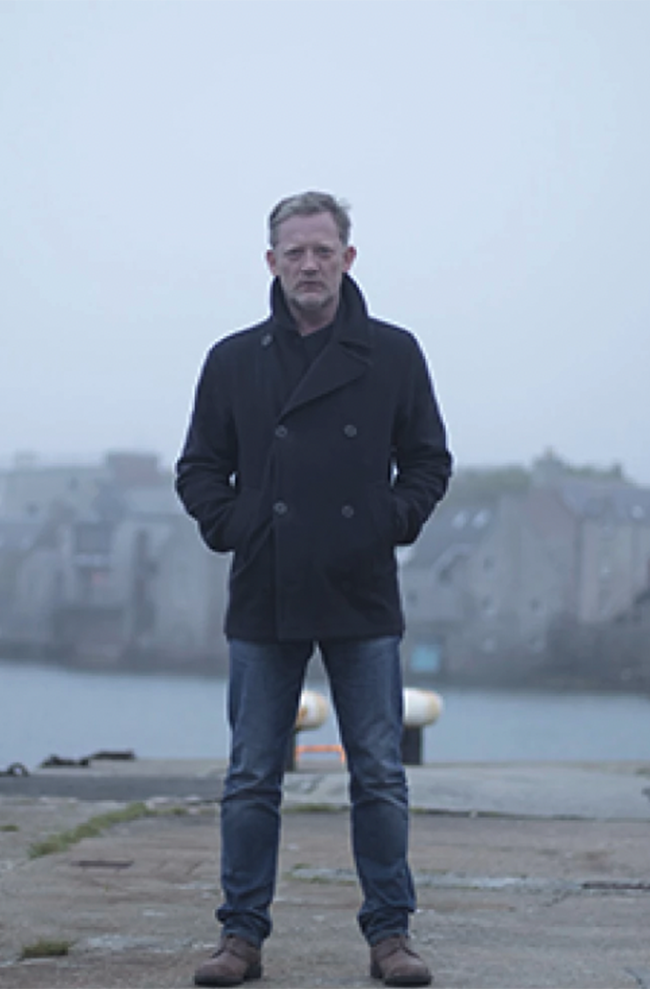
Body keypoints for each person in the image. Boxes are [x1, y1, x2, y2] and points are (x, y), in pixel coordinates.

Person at [175, 191, 452, 987]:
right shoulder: (233, 360)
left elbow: (430, 460)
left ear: (348, 259)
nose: (308, 264)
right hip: (265, 585)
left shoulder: (395, 354)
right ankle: (240, 937)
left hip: (362, 586)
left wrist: (385, 519)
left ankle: (391, 934)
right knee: (253, 773)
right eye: (293, 251)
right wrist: (238, 525)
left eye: (322, 250)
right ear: (271, 262)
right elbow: (198, 466)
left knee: (379, 770)